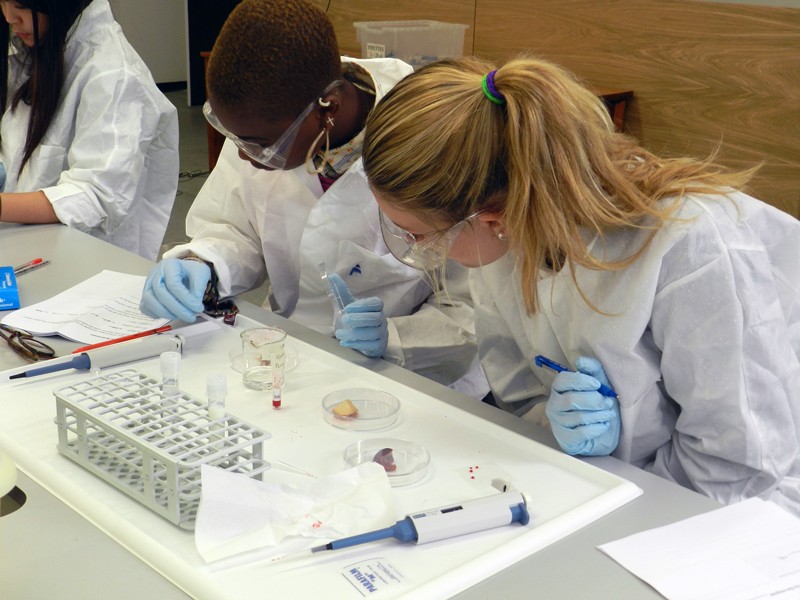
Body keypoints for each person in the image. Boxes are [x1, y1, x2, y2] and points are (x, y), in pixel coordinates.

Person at [361, 55, 800, 514]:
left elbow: (740, 461)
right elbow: (520, 388)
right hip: (609, 485)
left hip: (737, 511)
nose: (419, 253)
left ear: (493, 219)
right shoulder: (509, 227)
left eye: (418, 237)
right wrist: (572, 442)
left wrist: (621, 458)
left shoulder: (689, 244)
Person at [140, 0, 486, 397]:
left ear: (329, 109)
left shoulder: (431, 139)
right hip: (287, 354)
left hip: (410, 380)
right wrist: (205, 262)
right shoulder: (265, 112)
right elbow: (233, 226)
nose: (241, 155)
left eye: (259, 145)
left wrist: (393, 337)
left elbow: (475, 307)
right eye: (231, 136)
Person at [0, 0, 179, 260]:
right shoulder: (34, 48)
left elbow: (94, 198)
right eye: (2, 2)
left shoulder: (114, 75)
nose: (9, 16)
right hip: (31, 245)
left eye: (19, 4)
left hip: (90, 264)